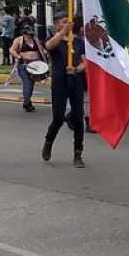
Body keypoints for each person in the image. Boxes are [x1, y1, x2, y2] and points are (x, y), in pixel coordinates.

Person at [42, 12, 87, 168]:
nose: (67, 24)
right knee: (58, 118)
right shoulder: (54, 39)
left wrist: (76, 70)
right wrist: (62, 33)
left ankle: (78, 153)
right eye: (63, 22)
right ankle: (48, 142)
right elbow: (48, 46)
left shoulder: (79, 42)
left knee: (79, 118)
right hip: (60, 83)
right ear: (56, 24)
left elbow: (85, 63)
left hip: (76, 83)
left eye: (69, 22)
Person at [10, 22, 45, 111]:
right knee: (27, 83)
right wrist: (19, 57)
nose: (29, 35)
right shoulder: (19, 40)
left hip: (35, 65)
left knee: (31, 83)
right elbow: (12, 50)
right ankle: (27, 102)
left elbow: (42, 49)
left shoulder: (35, 40)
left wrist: (45, 53)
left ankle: (28, 100)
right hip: (24, 65)